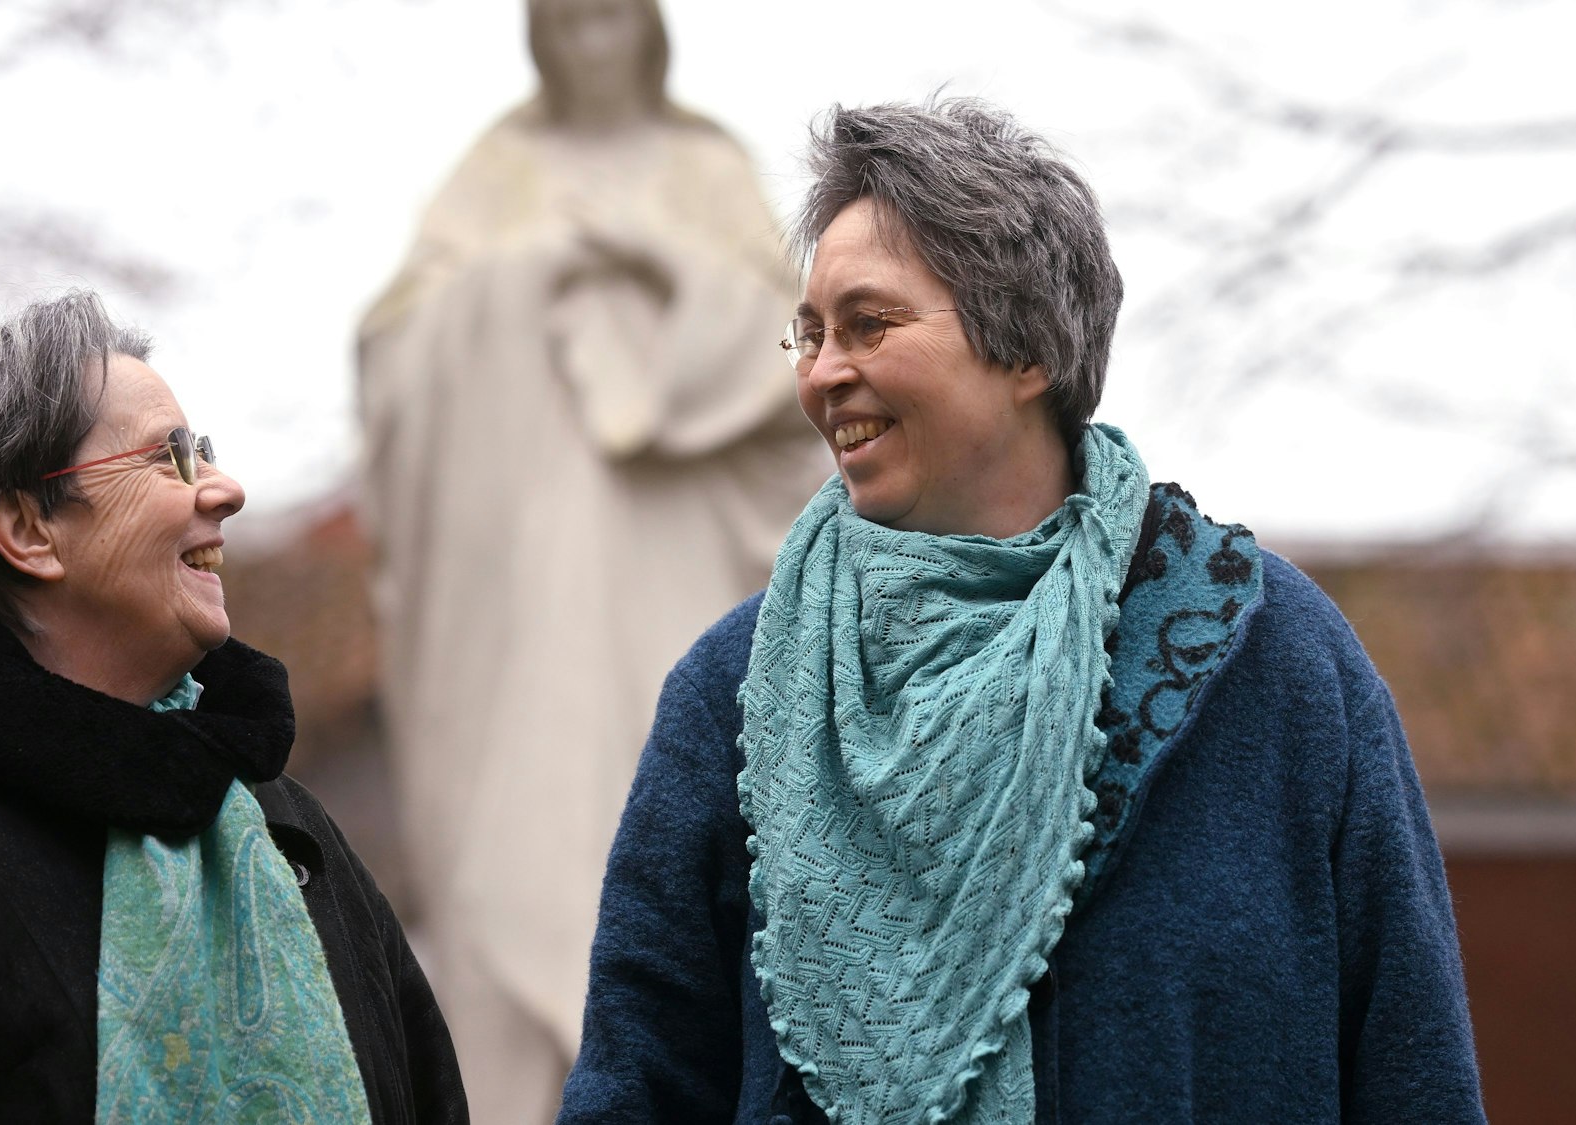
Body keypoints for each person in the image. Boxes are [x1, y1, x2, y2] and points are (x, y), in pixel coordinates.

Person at [558, 99, 1486, 1124]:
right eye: (808, 333)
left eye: (867, 323)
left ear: (1025, 349)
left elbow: (1413, 1073)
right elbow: (635, 1085)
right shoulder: (736, 694)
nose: (821, 374)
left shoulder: (1276, 663)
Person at [0, 291, 467, 1123]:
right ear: (27, 528)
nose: (226, 489)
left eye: (204, 449)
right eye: (169, 456)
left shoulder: (290, 827)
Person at [356, 0, 827, 1119]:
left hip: (681, 563)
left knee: (679, 815)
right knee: (518, 844)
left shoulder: (705, 169)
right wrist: (532, 282)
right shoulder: (498, 172)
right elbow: (395, 353)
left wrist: (657, 275)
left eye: (609, 16)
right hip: (523, 591)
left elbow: (797, 347)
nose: (589, 42)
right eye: (565, 20)